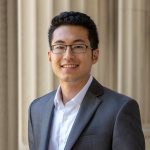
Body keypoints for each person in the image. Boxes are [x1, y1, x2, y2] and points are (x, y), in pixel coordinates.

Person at [28, 11, 145, 150]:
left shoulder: (120, 109)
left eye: (78, 47)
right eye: (59, 47)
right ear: (50, 56)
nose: (67, 55)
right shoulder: (36, 109)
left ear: (94, 56)